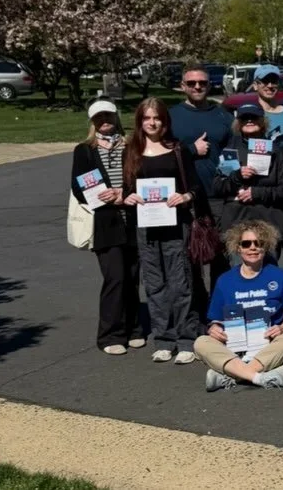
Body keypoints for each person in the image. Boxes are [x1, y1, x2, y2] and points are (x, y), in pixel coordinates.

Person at [124, 98, 203, 365]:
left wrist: (184, 197)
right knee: (155, 284)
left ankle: (186, 339)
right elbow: (126, 190)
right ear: (140, 121)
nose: (152, 123)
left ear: (165, 121)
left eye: (156, 118)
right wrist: (129, 198)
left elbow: (195, 187)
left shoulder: (178, 150)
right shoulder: (132, 151)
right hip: (146, 228)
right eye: (146, 118)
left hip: (175, 225)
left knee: (181, 284)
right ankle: (164, 339)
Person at [70, 99, 144, 355]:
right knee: (115, 278)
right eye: (99, 118)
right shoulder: (84, 150)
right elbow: (80, 188)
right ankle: (110, 334)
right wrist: (108, 197)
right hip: (106, 223)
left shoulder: (132, 146)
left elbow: (141, 178)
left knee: (133, 278)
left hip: (133, 220)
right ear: (92, 122)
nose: (105, 122)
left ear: (116, 118)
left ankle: (134, 328)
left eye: (109, 116)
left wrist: (124, 194)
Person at [195, 220, 283, 391]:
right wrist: (214, 328)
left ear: (265, 247)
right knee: (201, 342)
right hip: (234, 345)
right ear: (238, 248)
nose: (252, 248)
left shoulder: (280, 276)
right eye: (246, 244)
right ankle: (260, 377)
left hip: (269, 343)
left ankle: (231, 375)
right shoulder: (224, 280)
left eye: (258, 243)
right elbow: (215, 319)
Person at [169, 62, 234, 297]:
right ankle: (197, 307)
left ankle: (219, 306)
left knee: (220, 254)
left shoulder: (222, 115)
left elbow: (232, 151)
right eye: (192, 83)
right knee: (190, 255)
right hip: (184, 196)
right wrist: (191, 150)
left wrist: (230, 181)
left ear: (210, 84)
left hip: (218, 196)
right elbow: (161, 152)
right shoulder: (171, 116)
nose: (198, 87)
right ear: (182, 86)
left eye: (202, 83)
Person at [211, 104, 283, 268]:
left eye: (254, 117)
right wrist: (237, 176)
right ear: (238, 122)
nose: (249, 121)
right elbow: (218, 187)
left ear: (263, 121)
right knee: (240, 274)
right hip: (238, 224)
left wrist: (256, 193)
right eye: (244, 118)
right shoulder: (230, 151)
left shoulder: (276, 152)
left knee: (268, 274)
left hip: (268, 224)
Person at [251, 64, 283, 154]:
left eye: (274, 81)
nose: (270, 86)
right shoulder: (248, 116)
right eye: (265, 81)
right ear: (255, 85)